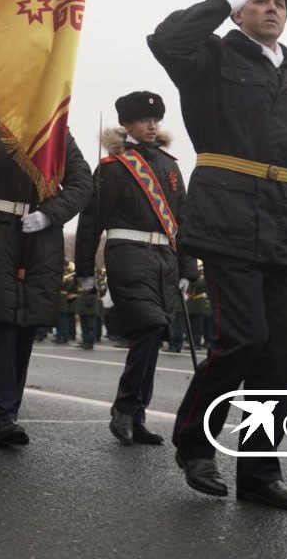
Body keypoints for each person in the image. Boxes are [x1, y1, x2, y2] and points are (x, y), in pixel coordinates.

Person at [147, 0, 287, 510]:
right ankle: (197, 443)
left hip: (286, 222)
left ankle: (260, 474)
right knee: (243, 338)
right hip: (228, 214)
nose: (272, 8)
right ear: (241, 7)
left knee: (279, 357)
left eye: (281, 3)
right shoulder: (211, 56)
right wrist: (222, 1)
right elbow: (167, 40)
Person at [0, 112, 90, 446]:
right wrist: (23, 134)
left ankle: (10, 409)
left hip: (40, 236)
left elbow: (81, 182)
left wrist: (51, 213)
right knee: (3, 322)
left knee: (27, 325)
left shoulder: (57, 131)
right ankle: (2, 415)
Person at [76, 91, 196, 447]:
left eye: (156, 119)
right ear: (126, 124)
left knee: (154, 336)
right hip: (127, 254)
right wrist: (85, 269)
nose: (152, 125)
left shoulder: (171, 165)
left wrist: (188, 268)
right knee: (149, 326)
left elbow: (184, 220)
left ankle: (137, 414)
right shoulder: (114, 167)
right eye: (145, 120)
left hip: (166, 261)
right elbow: (90, 220)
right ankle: (125, 408)